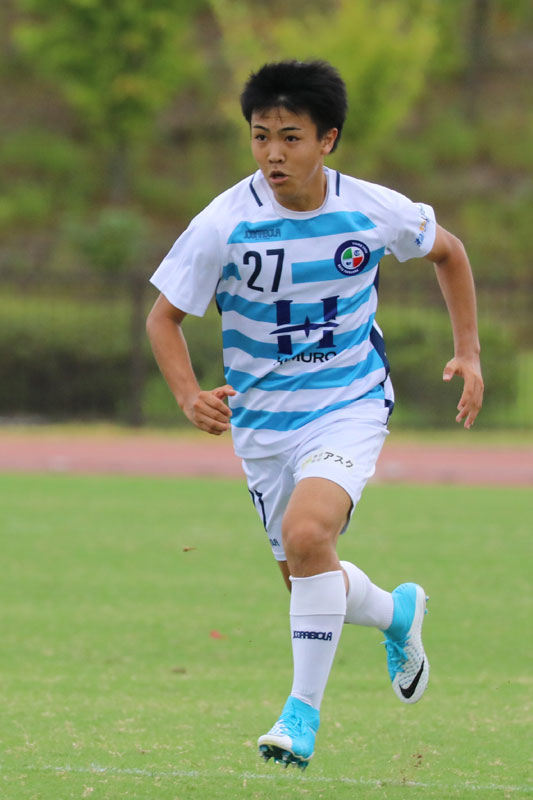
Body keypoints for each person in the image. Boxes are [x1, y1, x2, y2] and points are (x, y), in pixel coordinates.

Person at [146, 59, 484, 770]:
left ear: (327, 140)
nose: (272, 153)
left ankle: (299, 717)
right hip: (263, 426)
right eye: (260, 136)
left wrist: (468, 352)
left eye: (290, 137)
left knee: (307, 535)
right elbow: (163, 317)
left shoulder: (370, 209)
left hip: (348, 403)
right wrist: (186, 394)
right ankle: (396, 611)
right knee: (308, 574)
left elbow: (448, 253)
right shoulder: (223, 224)